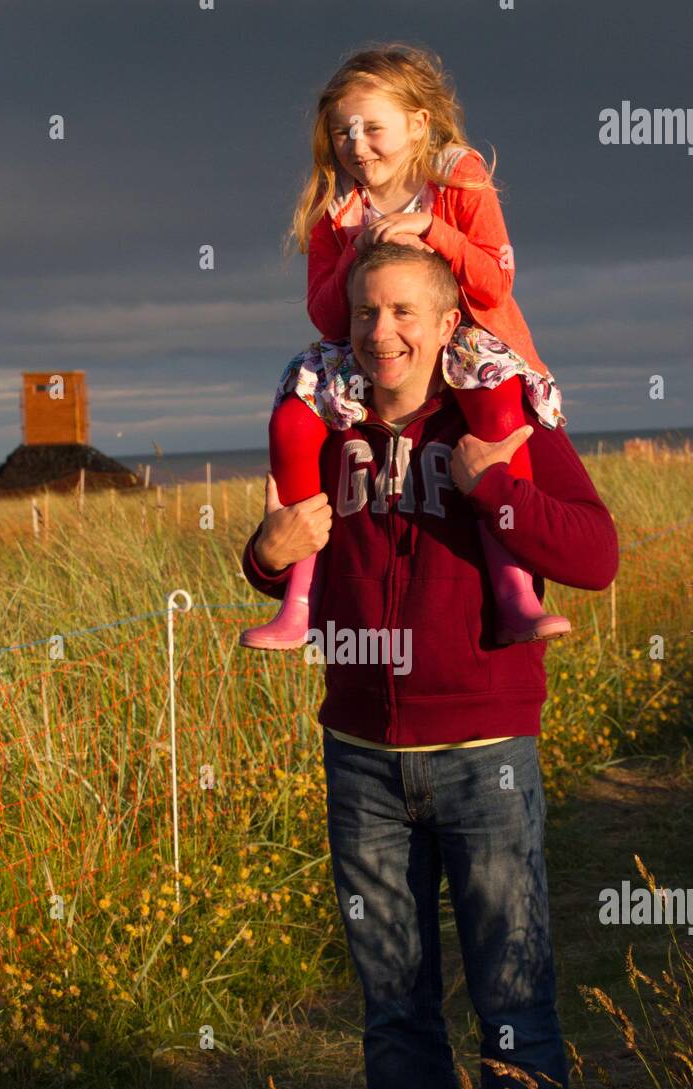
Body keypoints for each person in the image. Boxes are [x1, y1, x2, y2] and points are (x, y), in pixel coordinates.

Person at [240, 241, 619, 1089]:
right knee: (393, 1001)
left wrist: (496, 493)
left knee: (510, 991)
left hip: (484, 752)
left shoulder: (497, 417)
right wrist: (266, 552)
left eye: (405, 311)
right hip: (359, 756)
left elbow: (593, 554)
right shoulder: (326, 421)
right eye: (365, 314)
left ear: (447, 323)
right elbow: (278, 546)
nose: (382, 334)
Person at [240, 42, 571, 652]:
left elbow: (496, 281)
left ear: (419, 124)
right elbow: (326, 315)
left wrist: (433, 230)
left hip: (465, 339)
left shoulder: (457, 176)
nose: (356, 144)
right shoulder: (336, 211)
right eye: (342, 132)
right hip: (367, 345)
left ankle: (514, 588)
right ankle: (298, 602)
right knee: (291, 420)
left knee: (496, 403)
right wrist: (350, 250)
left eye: (372, 127)